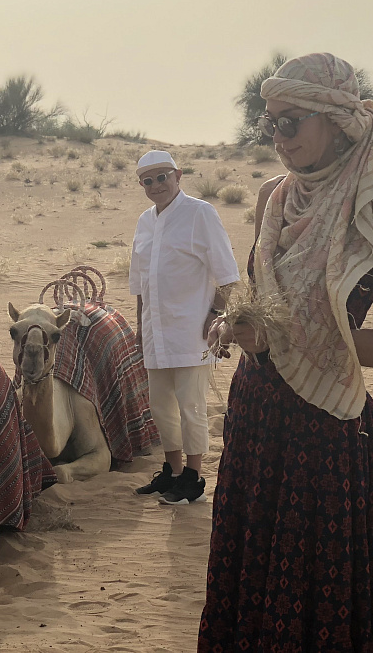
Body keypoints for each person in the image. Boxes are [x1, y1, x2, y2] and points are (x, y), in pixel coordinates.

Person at [199, 53, 373, 652]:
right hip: (256, 425)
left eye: (291, 122)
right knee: (252, 586)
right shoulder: (274, 196)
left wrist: (287, 340)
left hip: (323, 437)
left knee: (320, 599)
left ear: (335, 118)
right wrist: (234, 324)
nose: (278, 138)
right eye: (270, 123)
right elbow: (262, 300)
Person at [129, 150, 240, 505]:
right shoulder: (145, 222)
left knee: (191, 405)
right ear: (141, 185)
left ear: (178, 175)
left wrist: (214, 315)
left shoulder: (200, 213)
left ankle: (193, 477)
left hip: (192, 329)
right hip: (155, 332)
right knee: (161, 406)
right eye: (148, 180)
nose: (157, 185)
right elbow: (141, 283)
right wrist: (140, 327)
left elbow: (227, 275)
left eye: (163, 177)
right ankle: (172, 471)